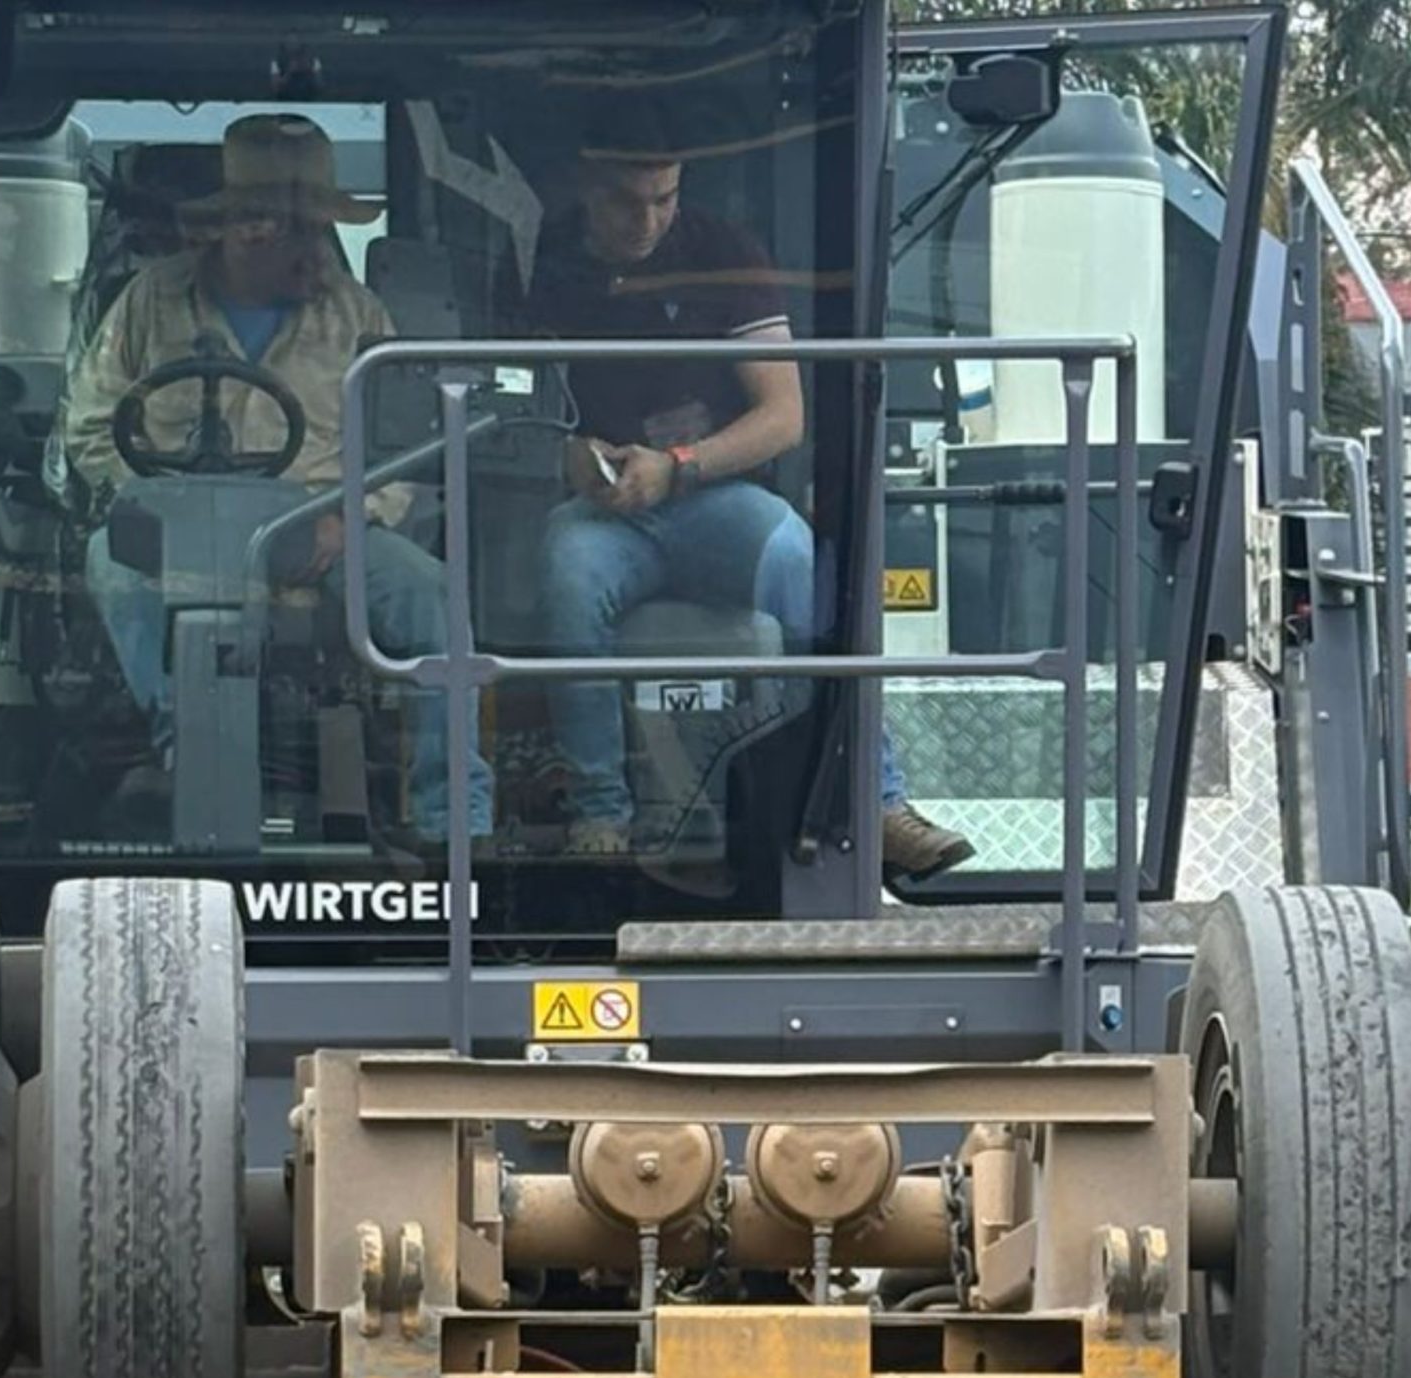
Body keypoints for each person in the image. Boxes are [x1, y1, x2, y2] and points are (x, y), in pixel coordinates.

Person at [518, 108, 975, 882]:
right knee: (567, 566)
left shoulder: (723, 252)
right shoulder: (545, 258)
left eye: (665, 198)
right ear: (586, 190)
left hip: (712, 498)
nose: (648, 219)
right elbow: (509, 399)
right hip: (605, 513)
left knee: (798, 554)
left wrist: (679, 465)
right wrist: (566, 453)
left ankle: (876, 800)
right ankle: (600, 811)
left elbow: (784, 416)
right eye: (629, 201)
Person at [59, 112, 492, 851]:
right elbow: (88, 427)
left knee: (431, 594)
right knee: (112, 563)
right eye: (303, 231)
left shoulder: (361, 316)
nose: (320, 250)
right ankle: (182, 749)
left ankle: (455, 817)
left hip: (319, 519)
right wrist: (148, 505)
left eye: (323, 229)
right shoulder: (147, 302)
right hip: (177, 523)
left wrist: (350, 519)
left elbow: (408, 449)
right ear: (246, 229)